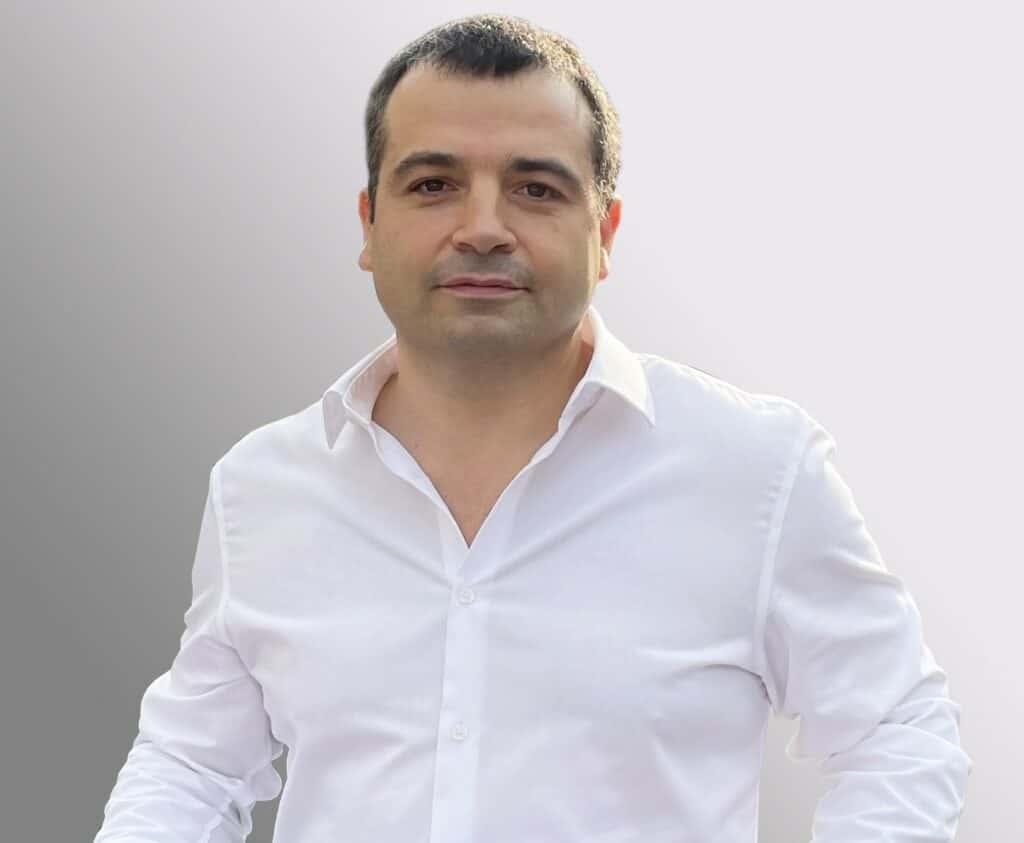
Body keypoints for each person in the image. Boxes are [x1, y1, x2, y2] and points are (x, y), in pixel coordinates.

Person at [94, 13, 972, 842]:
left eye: (535, 188)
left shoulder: (757, 471)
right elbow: (195, 763)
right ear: (369, 223)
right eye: (433, 185)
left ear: (605, 231)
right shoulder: (264, 487)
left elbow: (899, 730)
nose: (483, 228)